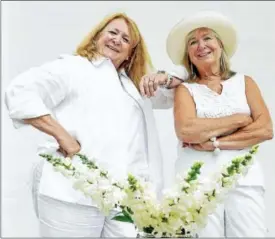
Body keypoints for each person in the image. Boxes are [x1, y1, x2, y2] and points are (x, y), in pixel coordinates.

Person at [5, 12, 187, 237]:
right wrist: (63, 136)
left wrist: (166, 76)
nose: (117, 39)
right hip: (72, 195)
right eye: (112, 32)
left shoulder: (134, 86)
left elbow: (179, 87)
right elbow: (20, 91)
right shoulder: (73, 67)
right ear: (96, 36)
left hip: (124, 203)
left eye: (125, 39)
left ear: (131, 53)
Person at [166, 11, 274, 237]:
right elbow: (186, 130)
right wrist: (239, 120)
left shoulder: (245, 82)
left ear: (220, 45)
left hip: (245, 180)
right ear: (189, 55)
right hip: (197, 184)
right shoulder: (185, 89)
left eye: (207, 38)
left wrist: (214, 142)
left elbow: (265, 129)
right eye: (193, 43)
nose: (201, 46)